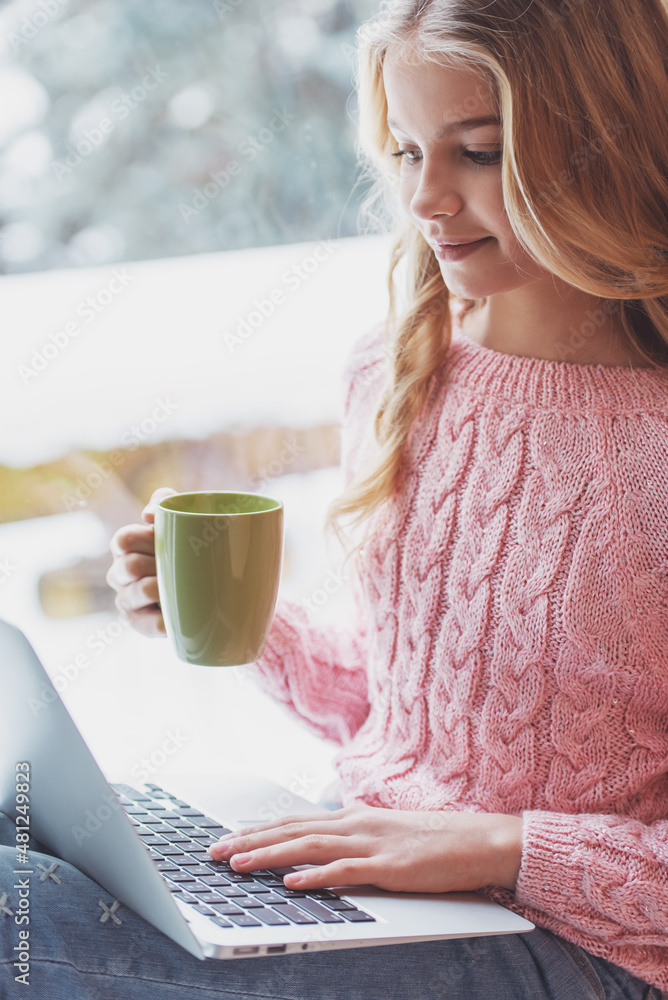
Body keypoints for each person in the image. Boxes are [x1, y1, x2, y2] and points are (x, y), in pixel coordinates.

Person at [3, 0, 668, 996]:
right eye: (404, 153)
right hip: (379, 884)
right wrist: (241, 623)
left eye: (477, 153)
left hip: (582, 946)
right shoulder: (400, 369)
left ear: (604, 145)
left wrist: (495, 846)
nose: (426, 200)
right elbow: (408, 712)